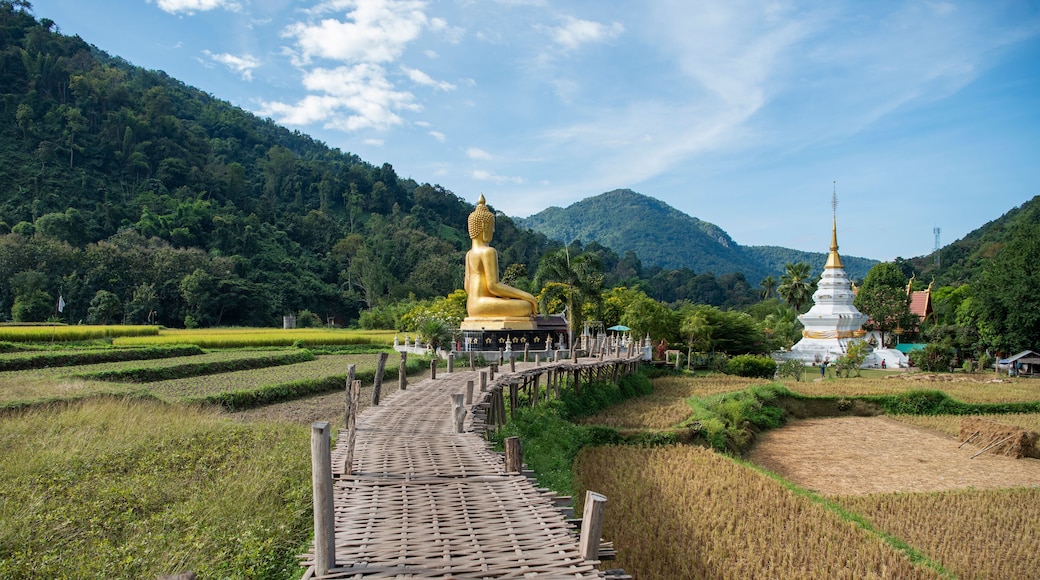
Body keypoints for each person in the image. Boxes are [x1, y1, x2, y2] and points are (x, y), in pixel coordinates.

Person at [461, 195, 539, 326]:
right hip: (483, 305)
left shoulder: (469, 254)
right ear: (485, 226)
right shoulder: (488, 251)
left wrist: (500, 297)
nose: (493, 230)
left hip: (472, 306)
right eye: (492, 226)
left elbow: (467, 287)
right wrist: (528, 296)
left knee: (523, 304)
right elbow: (493, 286)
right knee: (526, 306)